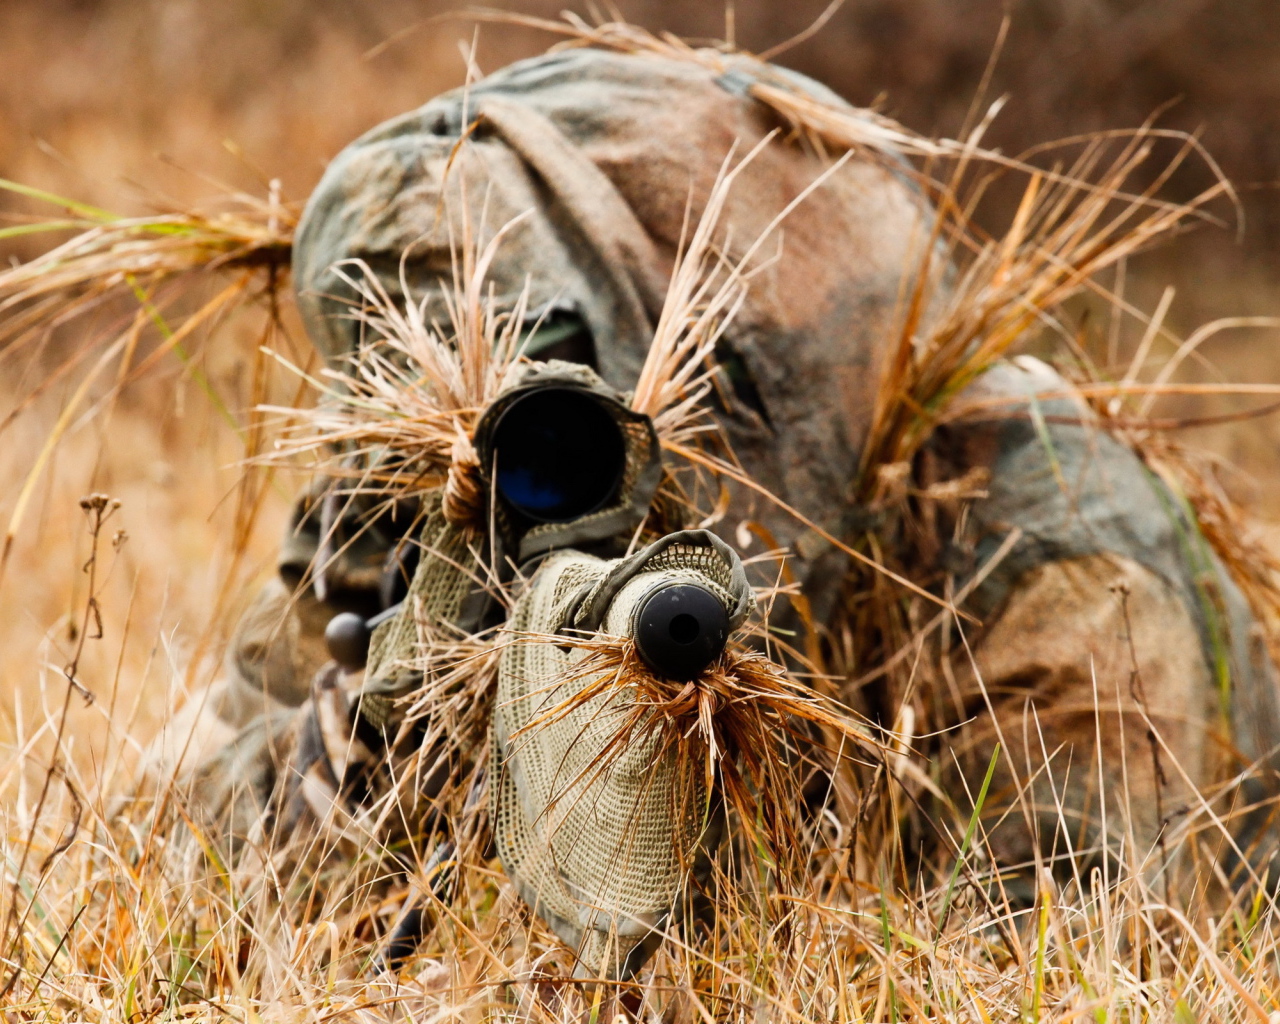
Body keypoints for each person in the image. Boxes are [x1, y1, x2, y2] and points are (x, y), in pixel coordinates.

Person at [152, 43, 1280, 979]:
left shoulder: (1051, 554)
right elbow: (189, 869)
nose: (524, 499)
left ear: (709, 394)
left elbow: (1053, 967)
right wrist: (364, 755)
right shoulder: (456, 483)